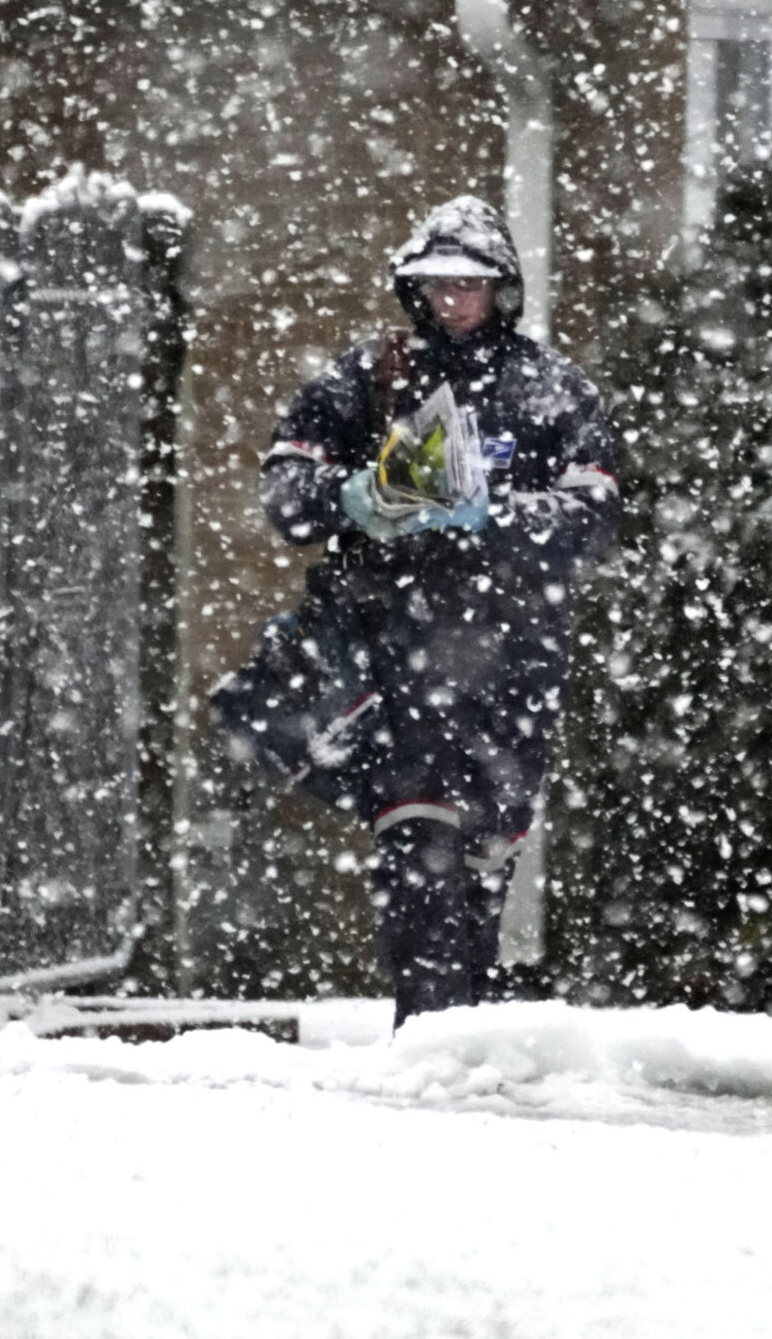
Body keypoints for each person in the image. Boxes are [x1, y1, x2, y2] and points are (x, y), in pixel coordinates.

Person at [259, 196, 620, 1028]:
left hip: (514, 655)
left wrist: (490, 514)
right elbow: (286, 494)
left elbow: (594, 516)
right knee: (416, 846)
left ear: (503, 288)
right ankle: (423, 1031)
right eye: (436, 283)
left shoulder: (553, 389)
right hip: (394, 651)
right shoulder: (365, 377)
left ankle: (463, 1033)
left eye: (472, 283)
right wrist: (358, 498)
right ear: (410, 288)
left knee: (487, 855)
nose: (454, 300)